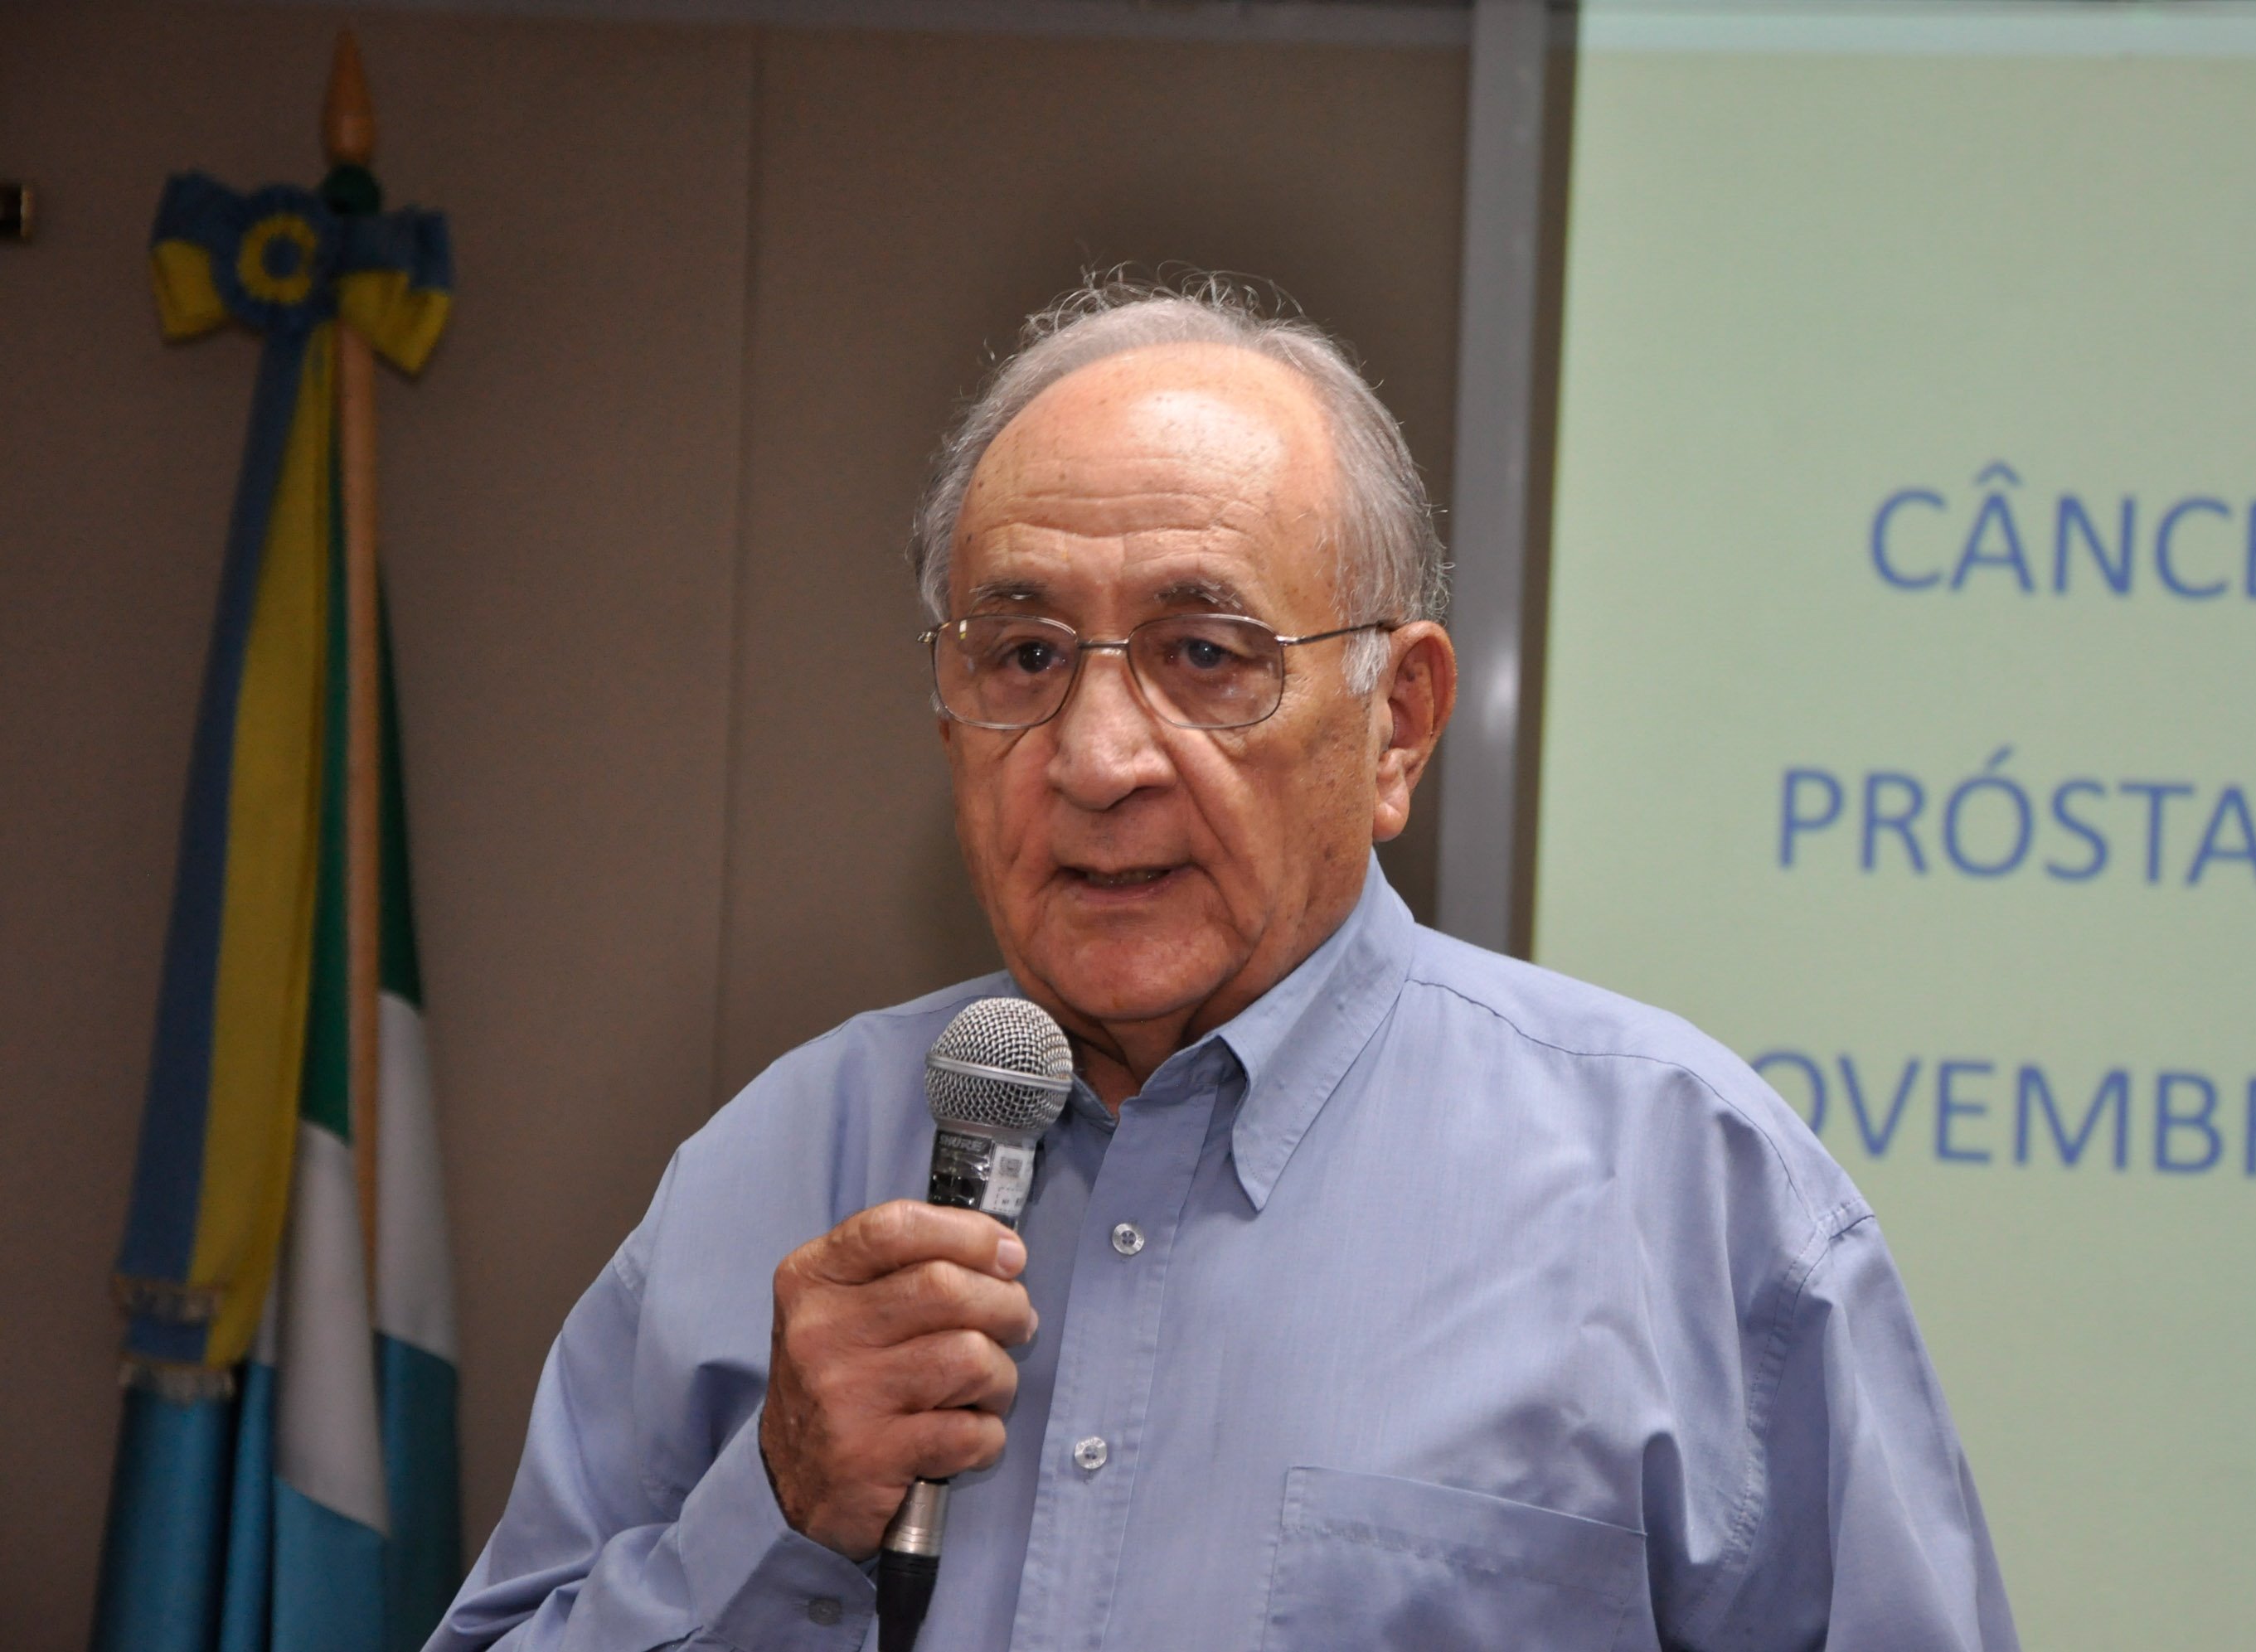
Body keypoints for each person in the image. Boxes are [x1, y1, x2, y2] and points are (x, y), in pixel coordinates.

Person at [430, 279, 2017, 1651]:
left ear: (1399, 724)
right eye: (1026, 655)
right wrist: (774, 1511)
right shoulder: (775, 1171)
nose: (1097, 756)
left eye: (1205, 654)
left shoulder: (1686, 1195)